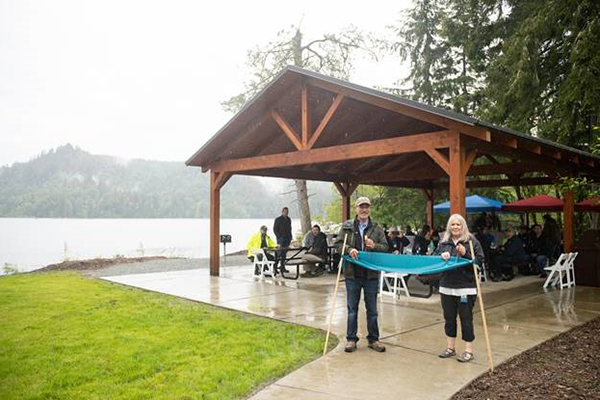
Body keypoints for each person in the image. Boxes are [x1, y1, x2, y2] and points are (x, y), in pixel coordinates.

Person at [335, 196, 388, 353]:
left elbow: (385, 247)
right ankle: (351, 339)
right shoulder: (347, 227)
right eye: (361, 207)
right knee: (352, 309)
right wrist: (349, 249)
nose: (364, 210)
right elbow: (338, 244)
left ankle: (373, 340)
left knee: (372, 309)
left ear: (369, 209)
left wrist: (375, 245)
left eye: (367, 207)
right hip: (352, 275)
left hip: (371, 275)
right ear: (356, 209)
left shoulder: (376, 228)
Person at [435, 214, 485, 363]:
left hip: (466, 287)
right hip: (446, 286)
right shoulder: (444, 242)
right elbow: (434, 257)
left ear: (463, 226)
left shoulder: (471, 241)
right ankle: (450, 348)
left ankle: (468, 350)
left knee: (466, 319)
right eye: (453, 224)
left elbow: (480, 261)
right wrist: (440, 255)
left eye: (458, 224)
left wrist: (466, 254)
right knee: (449, 318)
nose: (455, 227)